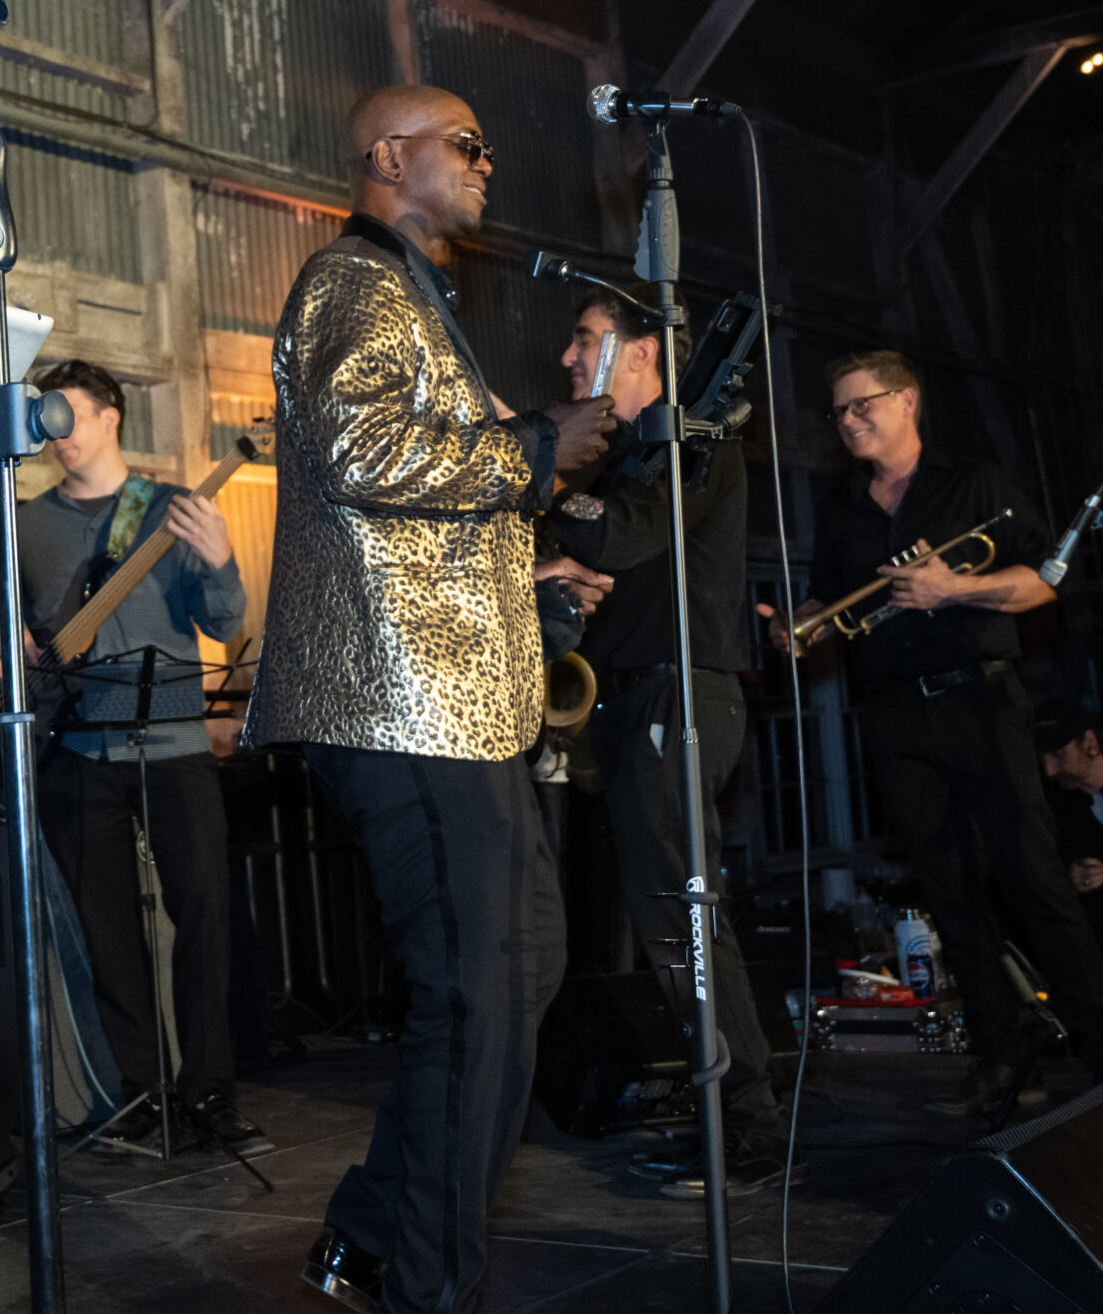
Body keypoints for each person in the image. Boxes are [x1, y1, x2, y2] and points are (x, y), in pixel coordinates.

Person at [250, 85, 611, 1314]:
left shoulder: (412, 296)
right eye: (466, 143)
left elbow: (412, 510)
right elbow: (363, 457)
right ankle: (427, 1287)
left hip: (457, 698)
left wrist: (536, 566)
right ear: (390, 156)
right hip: (401, 703)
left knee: (523, 970)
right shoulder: (353, 283)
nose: (486, 163)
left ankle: (365, 1227)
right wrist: (531, 449)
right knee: (477, 991)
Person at [764, 350, 1103, 1125]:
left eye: (861, 406)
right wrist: (799, 626)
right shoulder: (844, 505)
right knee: (949, 892)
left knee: (1034, 880)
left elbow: (1044, 578)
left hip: (979, 702)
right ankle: (998, 1049)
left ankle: (1096, 1040)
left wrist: (956, 587)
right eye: (839, 411)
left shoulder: (973, 484)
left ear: (907, 401)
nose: (847, 421)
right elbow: (825, 595)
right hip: (892, 714)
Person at [548, 293, 793, 1197]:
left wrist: (536, 462)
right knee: (669, 924)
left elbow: (623, 533)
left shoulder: (695, 441)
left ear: (643, 350)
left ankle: (752, 1124)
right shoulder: (636, 455)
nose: (569, 358)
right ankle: (727, 1113)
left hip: (675, 696)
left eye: (586, 339)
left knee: (688, 921)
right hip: (634, 701)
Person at [0, 358, 269, 1158]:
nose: (56, 435)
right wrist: (3, 644)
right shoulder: (27, 524)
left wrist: (218, 556)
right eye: (44, 420)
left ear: (112, 416)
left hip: (175, 745)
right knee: (107, 933)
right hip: (77, 751)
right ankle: (144, 1095)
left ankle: (211, 1090)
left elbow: (223, 623)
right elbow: (13, 628)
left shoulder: (172, 510)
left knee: (207, 915)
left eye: (67, 416)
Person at [1031, 699, 1103, 956]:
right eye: (1042, 759)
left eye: (1058, 754)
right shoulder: (1054, 807)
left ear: (1090, 743)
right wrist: (1068, 880)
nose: (1049, 770)